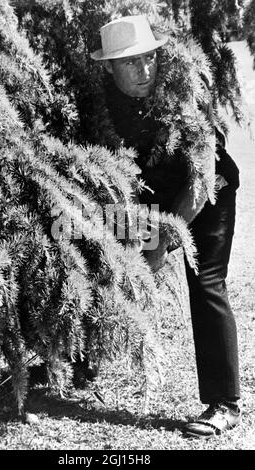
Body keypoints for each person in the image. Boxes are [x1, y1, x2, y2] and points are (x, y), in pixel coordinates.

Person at [91, 15, 241, 438]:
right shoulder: (95, 100)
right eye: (130, 63)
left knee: (206, 280)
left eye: (150, 59)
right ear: (107, 67)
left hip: (207, 194)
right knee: (89, 251)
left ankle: (224, 403)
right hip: (149, 197)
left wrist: (161, 247)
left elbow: (201, 180)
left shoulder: (183, 96)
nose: (144, 72)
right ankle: (74, 361)